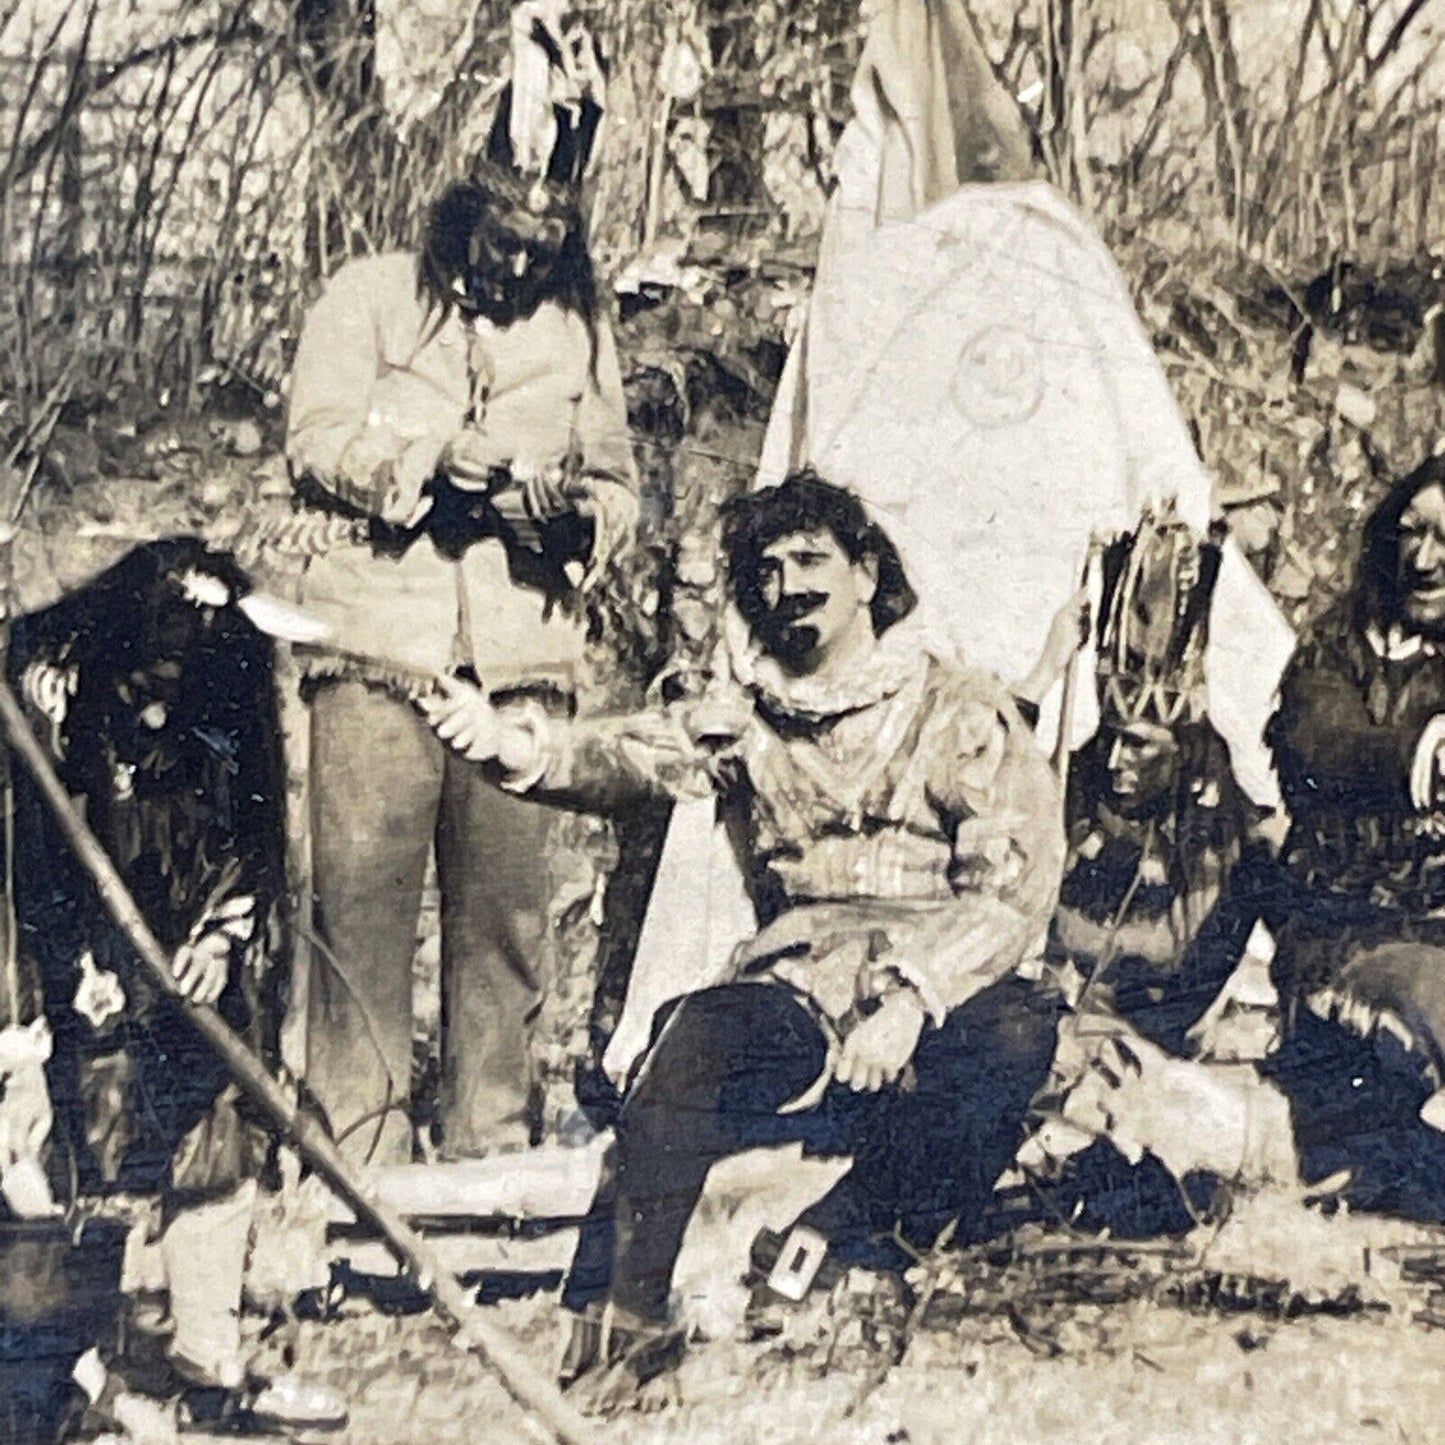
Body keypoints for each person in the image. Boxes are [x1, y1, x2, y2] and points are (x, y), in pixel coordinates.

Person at [424, 470, 1064, 1409]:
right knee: (689, 1054)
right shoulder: (750, 715)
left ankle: (836, 1239)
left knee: (1015, 1039)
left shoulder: (957, 706)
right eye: (764, 570)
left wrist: (911, 996)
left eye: (810, 561)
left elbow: (1012, 887)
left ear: (866, 573)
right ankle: (626, 1326)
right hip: (805, 969)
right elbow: (628, 751)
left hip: (944, 969)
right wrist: (512, 744)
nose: (787, 585)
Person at [285, 162, 638, 1162]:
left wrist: (573, 517)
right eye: (503, 240)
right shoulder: (369, 293)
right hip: (378, 641)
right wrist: (427, 460)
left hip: (519, 652)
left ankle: (491, 1151)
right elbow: (313, 437)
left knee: (505, 920)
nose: (521, 262)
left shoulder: (577, 331)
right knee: (360, 908)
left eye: (544, 247)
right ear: (461, 219)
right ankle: (357, 1159)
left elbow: (615, 484)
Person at [8, 540, 342, 1431]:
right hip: (82, 952)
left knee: (215, 1140)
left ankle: (207, 1360)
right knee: (85, 1149)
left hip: (191, 947)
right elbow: (41, 854)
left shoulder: (229, 681)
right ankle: (79, 1381)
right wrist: (75, 968)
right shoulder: (59, 687)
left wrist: (223, 937)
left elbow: (254, 831)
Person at [1264, 453, 1445, 1220]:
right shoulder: (1335, 647)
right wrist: (1424, 749)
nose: (1425, 557)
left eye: (1444, 538)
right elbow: (1318, 744)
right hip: (1344, 935)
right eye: (1410, 532)